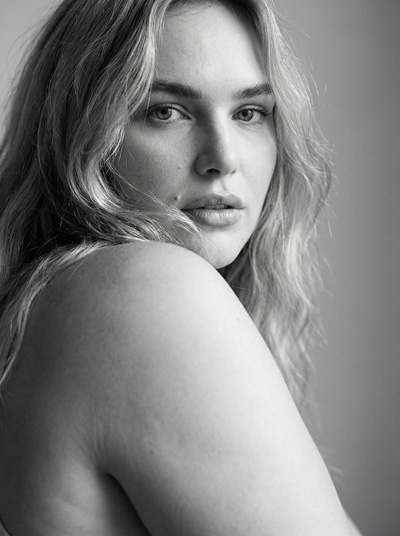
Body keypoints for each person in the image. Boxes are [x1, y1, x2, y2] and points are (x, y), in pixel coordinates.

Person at [0, 0, 362, 534]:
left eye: (249, 112)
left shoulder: (47, 303)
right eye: (166, 111)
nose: (223, 158)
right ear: (80, 131)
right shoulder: (143, 291)